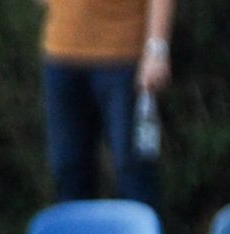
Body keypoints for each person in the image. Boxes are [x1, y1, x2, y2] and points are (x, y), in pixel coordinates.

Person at [39, 0, 172, 207]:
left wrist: (157, 50)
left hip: (125, 59)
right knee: (68, 168)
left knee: (133, 169)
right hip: (61, 57)